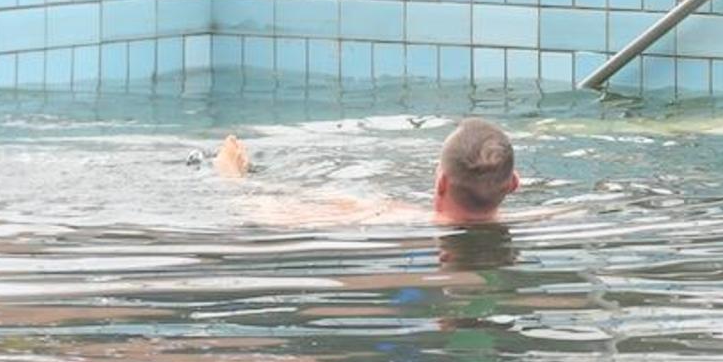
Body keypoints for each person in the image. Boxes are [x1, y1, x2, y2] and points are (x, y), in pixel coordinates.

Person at [214, 116, 520, 226]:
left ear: (441, 181)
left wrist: (232, 178)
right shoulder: (532, 221)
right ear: (513, 184)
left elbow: (268, 215)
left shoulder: (393, 220)